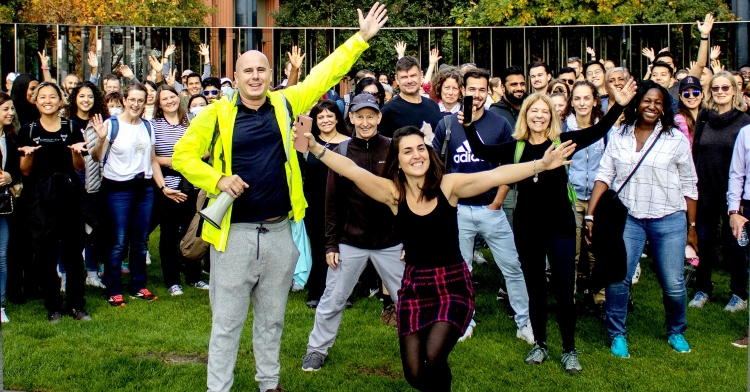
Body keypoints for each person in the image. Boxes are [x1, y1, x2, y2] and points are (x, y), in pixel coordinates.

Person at [171, 4, 389, 391]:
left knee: (272, 319)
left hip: (279, 233)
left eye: (261, 70)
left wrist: (361, 39)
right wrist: (217, 179)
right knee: (227, 323)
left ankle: (268, 383)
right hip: (233, 235)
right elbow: (182, 157)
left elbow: (327, 71)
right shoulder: (215, 114)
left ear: (270, 76)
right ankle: (217, 387)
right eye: (248, 71)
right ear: (235, 76)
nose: (255, 76)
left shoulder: (286, 103)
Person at [300, 122, 573, 391]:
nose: (416, 155)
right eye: (407, 151)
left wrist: (542, 164)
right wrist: (315, 147)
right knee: (414, 373)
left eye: (421, 148)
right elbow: (352, 170)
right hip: (415, 287)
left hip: (452, 285)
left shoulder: (448, 186)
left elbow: (496, 176)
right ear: (397, 160)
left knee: (434, 355)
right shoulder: (394, 194)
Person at [463, 79, 638, 372]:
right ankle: (540, 344)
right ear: (526, 116)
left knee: (563, 287)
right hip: (527, 226)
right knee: (535, 288)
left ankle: (569, 349)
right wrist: (468, 124)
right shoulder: (516, 148)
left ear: (552, 116)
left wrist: (618, 104)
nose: (539, 116)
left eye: (545, 111)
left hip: (560, 227)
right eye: (534, 111)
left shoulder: (564, 143)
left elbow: (598, 130)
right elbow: (482, 151)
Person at [586, 80, 698, 358]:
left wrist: (692, 228)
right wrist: (590, 212)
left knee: (673, 281)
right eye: (646, 100)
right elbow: (604, 175)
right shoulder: (620, 134)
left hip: (668, 218)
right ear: (637, 103)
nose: (651, 106)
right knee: (618, 277)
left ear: (664, 108)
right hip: (630, 218)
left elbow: (690, 184)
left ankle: (676, 331)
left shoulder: (676, 138)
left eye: (658, 102)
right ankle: (617, 334)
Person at [302, 94, 404, 371]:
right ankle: (316, 349)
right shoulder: (342, 152)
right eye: (360, 116)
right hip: (351, 241)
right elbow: (332, 202)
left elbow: (404, 197)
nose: (365, 121)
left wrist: (408, 239)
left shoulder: (394, 149)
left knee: (408, 300)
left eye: (371, 116)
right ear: (352, 119)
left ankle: (418, 349)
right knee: (332, 299)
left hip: (391, 241)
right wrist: (331, 245)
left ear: (379, 118)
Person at [432, 68, 533, 345]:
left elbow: (509, 166)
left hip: (491, 208)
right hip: (459, 210)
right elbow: (438, 168)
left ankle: (524, 321)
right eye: (471, 89)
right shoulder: (447, 124)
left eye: (481, 89)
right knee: (461, 269)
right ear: (462, 90)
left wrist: (497, 201)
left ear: (488, 92)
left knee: (512, 265)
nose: (475, 95)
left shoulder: (499, 124)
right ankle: (465, 320)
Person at [89, 83, 173, 307]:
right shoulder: (112, 125)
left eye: (140, 100)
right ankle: (114, 288)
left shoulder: (147, 126)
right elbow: (97, 158)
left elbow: (152, 160)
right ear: (125, 100)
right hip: (117, 189)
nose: (136, 104)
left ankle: (138, 285)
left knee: (140, 241)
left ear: (145, 102)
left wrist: (162, 186)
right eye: (132, 99)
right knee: (117, 241)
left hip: (144, 188)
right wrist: (99, 139)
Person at [17, 82, 92, 323]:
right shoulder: (28, 130)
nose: (48, 100)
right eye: (42, 97)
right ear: (36, 102)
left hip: (68, 195)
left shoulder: (71, 127)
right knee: (46, 254)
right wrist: (28, 156)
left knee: (73, 252)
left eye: (53, 96)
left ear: (61, 101)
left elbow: (79, 167)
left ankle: (77, 305)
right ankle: (53, 306)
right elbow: (25, 172)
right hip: (40, 197)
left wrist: (75, 153)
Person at [689, 71, 750, 312]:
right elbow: (696, 153)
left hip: (734, 194)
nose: (721, 92)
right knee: (702, 242)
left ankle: (739, 294)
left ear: (734, 90)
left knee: (735, 245)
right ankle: (703, 289)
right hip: (705, 191)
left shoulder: (744, 121)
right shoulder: (704, 118)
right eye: (716, 88)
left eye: (726, 88)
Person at [150, 85, 210, 296]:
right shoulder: (154, 125)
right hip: (169, 187)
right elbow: (153, 158)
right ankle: (172, 280)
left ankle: (193, 276)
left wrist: (188, 161)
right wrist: (180, 162)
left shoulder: (191, 121)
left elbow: (205, 151)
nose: (169, 101)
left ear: (179, 98)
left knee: (191, 232)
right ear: (158, 103)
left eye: (172, 96)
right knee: (168, 235)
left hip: (193, 185)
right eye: (164, 98)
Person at [561, 81, 607, 317]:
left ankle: (600, 299)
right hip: (572, 197)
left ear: (595, 100)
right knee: (572, 252)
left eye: (586, 98)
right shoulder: (563, 128)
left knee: (596, 250)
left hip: (598, 198)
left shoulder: (604, 128)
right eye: (577, 98)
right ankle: (570, 298)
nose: (582, 103)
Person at [301, 100, 350, 309]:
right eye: (320, 117)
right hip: (314, 203)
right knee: (319, 246)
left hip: (343, 203)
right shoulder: (307, 143)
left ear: (337, 118)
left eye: (330, 116)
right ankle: (317, 290)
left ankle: (343, 292)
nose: (325, 120)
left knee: (342, 246)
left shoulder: (349, 142)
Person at [63, 81, 109, 289]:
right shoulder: (65, 123)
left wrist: (100, 138)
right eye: (81, 96)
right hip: (70, 183)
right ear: (75, 98)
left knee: (92, 231)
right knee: (68, 233)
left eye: (90, 96)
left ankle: (92, 272)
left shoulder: (100, 122)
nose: (86, 100)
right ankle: (64, 274)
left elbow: (99, 157)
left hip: (93, 182)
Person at [379, 56, 442, 138]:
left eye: (413, 76)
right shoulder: (388, 111)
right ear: (397, 79)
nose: (409, 81)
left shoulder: (433, 105)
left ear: (421, 75)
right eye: (404, 77)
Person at [0, 92, 21, 323]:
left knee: (1, 256)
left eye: (12, 109)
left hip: (3, 206)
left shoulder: (12, 139)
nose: (11, 113)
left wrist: (10, 176)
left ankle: (0, 304)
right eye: (5, 109)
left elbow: (17, 172)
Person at [674, 76, 703, 148]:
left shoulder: (706, 116)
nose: (691, 96)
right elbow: (686, 148)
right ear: (681, 97)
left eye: (695, 92)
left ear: (702, 95)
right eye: (686, 93)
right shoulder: (679, 119)